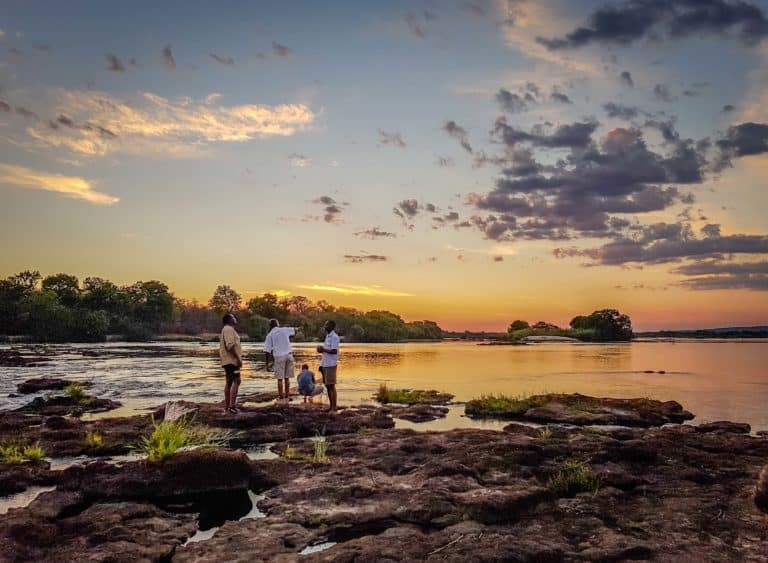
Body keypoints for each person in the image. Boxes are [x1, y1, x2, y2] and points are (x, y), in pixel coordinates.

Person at [264, 319, 296, 400]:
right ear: (277, 324)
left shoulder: (270, 335)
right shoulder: (284, 329)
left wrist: (267, 364)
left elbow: (267, 351)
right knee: (287, 378)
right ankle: (287, 395)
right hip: (289, 355)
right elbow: (294, 331)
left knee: (280, 379)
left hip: (279, 356)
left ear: (270, 326)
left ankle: (281, 396)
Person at [219, 313, 242, 414]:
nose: (235, 318)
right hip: (232, 361)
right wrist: (238, 359)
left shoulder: (227, 329)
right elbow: (230, 346)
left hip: (227, 361)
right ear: (229, 320)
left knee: (229, 382)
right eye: (233, 317)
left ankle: (228, 407)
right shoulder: (228, 329)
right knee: (236, 381)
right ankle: (232, 406)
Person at [317, 320, 340, 412]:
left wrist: (323, 349)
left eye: (326, 325)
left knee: (331, 386)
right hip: (325, 364)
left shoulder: (334, 337)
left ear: (331, 326)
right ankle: (331, 406)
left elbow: (334, 351)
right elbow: (327, 351)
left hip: (331, 364)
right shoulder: (328, 336)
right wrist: (321, 364)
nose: (324, 326)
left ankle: (334, 407)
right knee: (327, 386)